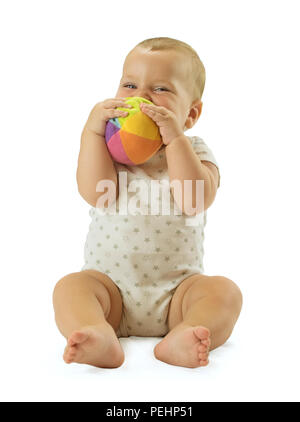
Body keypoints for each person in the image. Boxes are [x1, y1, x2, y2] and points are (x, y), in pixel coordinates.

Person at [52, 37, 243, 369]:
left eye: (161, 89)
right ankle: (97, 333)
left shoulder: (194, 152)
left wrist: (174, 140)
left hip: (178, 294)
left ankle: (184, 335)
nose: (140, 97)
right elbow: (94, 192)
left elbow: (194, 199)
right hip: (110, 291)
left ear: (191, 114)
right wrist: (92, 133)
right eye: (130, 84)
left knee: (225, 293)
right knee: (70, 287)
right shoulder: (113, 153)